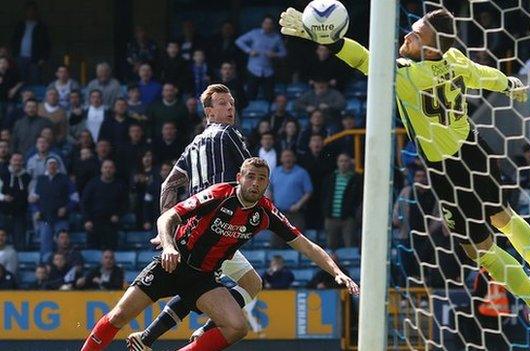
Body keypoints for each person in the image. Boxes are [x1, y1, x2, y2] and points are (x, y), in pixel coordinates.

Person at [280, 7, 530, 336]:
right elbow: (480, 74)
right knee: (503, 218)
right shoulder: (453, 57)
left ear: (430, 47)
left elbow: (362, 60)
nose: (408, 35)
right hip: (474, 147)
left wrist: (328, 38)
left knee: (481, 250)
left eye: (416, 33)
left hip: (448, 169)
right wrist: (509, 84)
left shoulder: (406, 76)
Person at [81, 157, 358, 351]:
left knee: (237, 327)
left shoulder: (266, 212)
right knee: (118, 316)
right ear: (240, 178)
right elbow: (168, 218)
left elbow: (306, 246)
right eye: (250, 176)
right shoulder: (218, 194)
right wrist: (167, 246)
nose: (255, 183)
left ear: (266, 184)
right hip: (173, 265)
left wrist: (337, 272)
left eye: (261, 179)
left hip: (203, 278)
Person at [125, 84, 260, 350]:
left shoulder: (193, 145)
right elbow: (252, 172)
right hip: (215, 229)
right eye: (222, 103)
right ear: (208, 112)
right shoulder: (229, 133)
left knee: (251, 282)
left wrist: (167, 223)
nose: (230, 107)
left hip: (193, 226)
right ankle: (173, 334)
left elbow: (168, 185)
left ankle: (150, 337)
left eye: (232, 102)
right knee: (199, 285)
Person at [235, 15, 287, 100]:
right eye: (266, 23)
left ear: (273, 25)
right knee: (250, 96)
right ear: (262, 24)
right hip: (253, 69)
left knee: (269, 97)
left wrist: (275, 54)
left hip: (268, 71)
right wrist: (249, 51)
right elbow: (239, 41)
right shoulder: (254, 33)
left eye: (270, 24)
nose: (268, 26)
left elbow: (284, 53)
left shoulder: (276, 38)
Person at [322, 153, 362, 249]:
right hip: (331, 218)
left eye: (346, 161)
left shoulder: (357, 179)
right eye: (341, 161)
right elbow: (324, 196)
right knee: (331, 246)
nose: (343, 163)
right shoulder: (330, 178)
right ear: (337, 163)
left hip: (348, 219)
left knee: (350, 244)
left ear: (350, 163)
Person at [10, 1, 50, 84]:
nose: (30, 12)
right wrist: (14, 54)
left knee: (35, 80)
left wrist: (43, 58)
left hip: (35, 59)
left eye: (32, 10)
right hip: (20, 58)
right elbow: (14, 40)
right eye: (28, 10)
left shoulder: (41, 27)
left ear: (36, 12)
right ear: (25, 12)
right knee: (20, 80)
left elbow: (47, 44)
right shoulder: (20, 25)